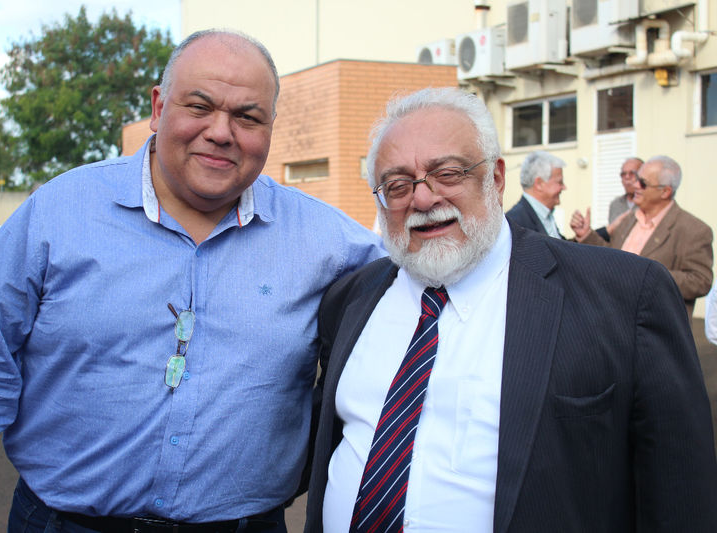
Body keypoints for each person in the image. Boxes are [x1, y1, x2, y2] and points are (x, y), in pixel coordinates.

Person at [0, 30, 384, 532]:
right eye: (199, 106)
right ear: (159, 108)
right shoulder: (57, 214)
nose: (221, 132)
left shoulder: (329, 241)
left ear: (270, 127)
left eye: (247, 116)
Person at [304, 87, 717, 532]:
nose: (423, 200)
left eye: (448, 173)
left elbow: (681, 491)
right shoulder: (350, 299)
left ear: (496, 178)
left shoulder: (625, 295)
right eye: (398, 185)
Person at [571, 155, 713, 318]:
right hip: (612, 318)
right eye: (637, 179)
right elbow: (613, 257)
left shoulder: (693, 229)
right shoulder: (629, 219)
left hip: (654, 327)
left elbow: (700, 281)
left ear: (665, 191)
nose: (635, 185)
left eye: (643, 183)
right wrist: (587, 235)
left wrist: (647, 275)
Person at [504, 150, 566, 238]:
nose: (564, 187)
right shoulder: (515, 224)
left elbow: (557, 248)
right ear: (539, 184)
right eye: (560, 182)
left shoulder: (545, 215)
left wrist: (584, 236)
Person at [608, 157, 642, 223]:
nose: (627, 177)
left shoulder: (649, 203)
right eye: (623, 174)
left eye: (632, 173)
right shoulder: (615, 204)